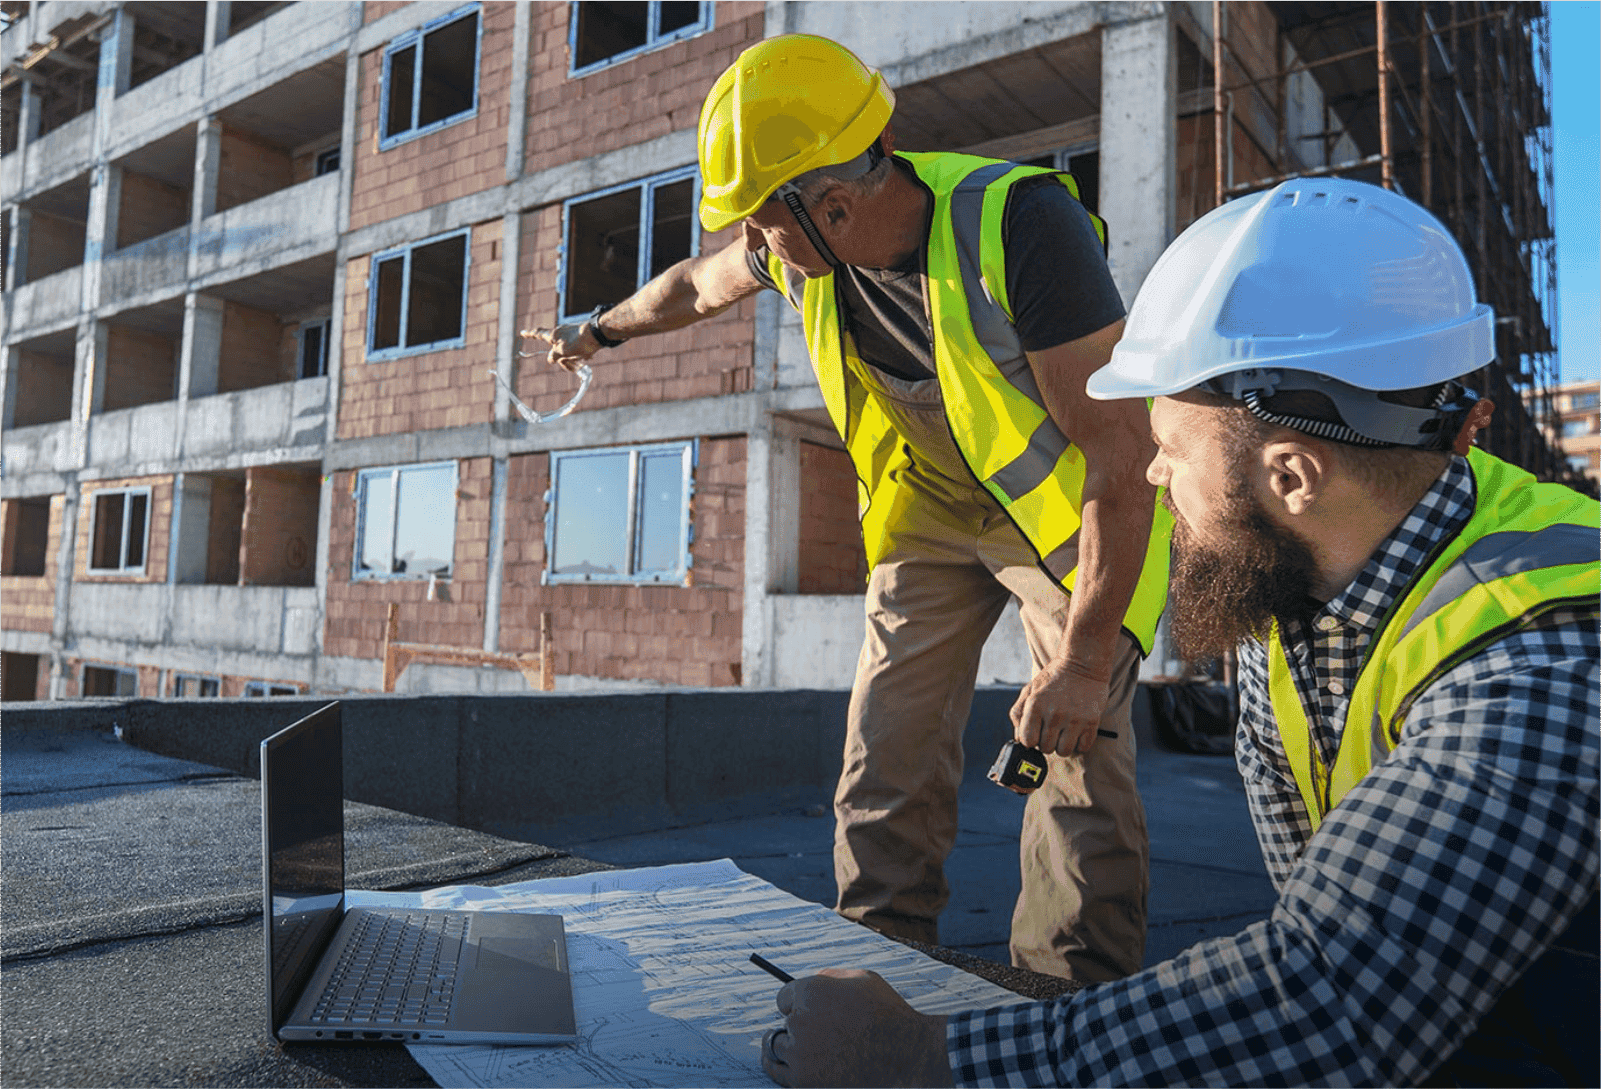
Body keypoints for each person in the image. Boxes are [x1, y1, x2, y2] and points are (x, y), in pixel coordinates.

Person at [757, 176, 1599, 1088]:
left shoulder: (1542, 660)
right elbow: (1320, 934)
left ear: (1291, 475)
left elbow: (1328, 1001)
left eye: (1171, 449)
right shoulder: (1300, 583)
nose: (1153, 477)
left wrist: (921, 1059)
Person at [526, 34, 1171, 982]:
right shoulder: (799, 251)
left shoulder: (1020, 224)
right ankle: (877, 963)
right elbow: (696, 286)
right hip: (928, 511)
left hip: (1062, 514)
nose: (752, 246)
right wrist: (596, 332)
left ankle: (1068, 999)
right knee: (884, 749)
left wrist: (1080, 662)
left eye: (760, 222)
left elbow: (1123, 453)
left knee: (1078, 755)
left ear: (831, 202)